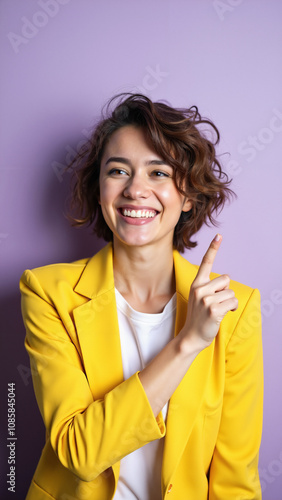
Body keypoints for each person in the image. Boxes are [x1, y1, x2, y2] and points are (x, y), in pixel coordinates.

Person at [20, 94, 263, 500]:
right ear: (99, 190)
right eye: (118, 171)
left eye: (159, 173)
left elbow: (235, 482)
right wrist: (188, 343)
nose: (136, 189)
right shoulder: (47, 293)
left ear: (187, 197)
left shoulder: (234, 309)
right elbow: (79, 453)